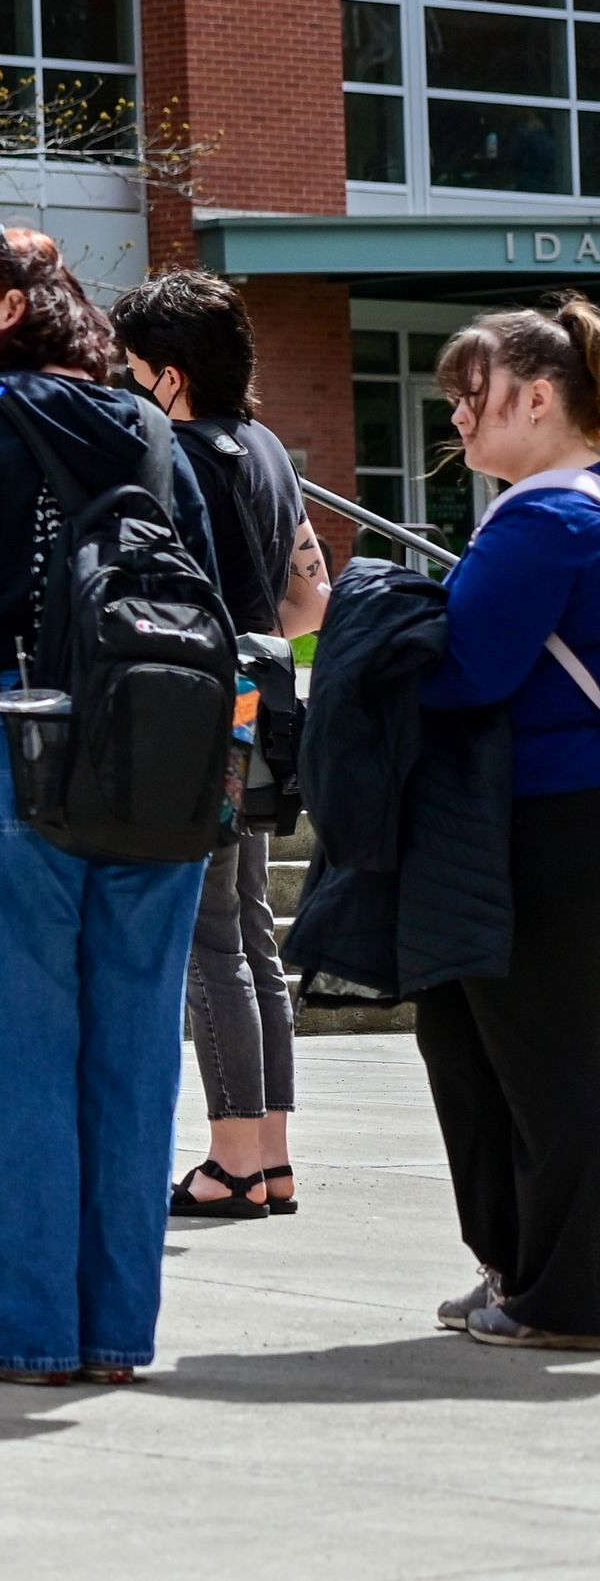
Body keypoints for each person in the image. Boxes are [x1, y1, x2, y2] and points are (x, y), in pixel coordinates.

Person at [0, 223, 218, 1386]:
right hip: (156, 758)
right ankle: (116, 1332)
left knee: (15, 1048)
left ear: (14, 308)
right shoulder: (156, 435)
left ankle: (23, 1330)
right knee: (133, 1049)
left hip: (3, 734)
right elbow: (216, 590)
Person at [110, 270, 332, 1224]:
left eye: (131, 373)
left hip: (197, 710)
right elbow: (305, 595)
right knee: (248, 931)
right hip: (259, 701)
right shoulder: (273, 449)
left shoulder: (175, 456)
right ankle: (269, 1151)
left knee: (212, 937)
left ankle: (233, 1158)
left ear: (169, 376)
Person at [407, 299, 600, 1347]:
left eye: (470, 399)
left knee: (542, 1063)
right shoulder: (580, 506)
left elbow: (469, 669)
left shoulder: (544, 517)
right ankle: (534, 1271)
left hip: (546, 819)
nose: (460, 425)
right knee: (538, 1054)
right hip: (566, 813)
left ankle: (562, 1290)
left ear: (536, 395)